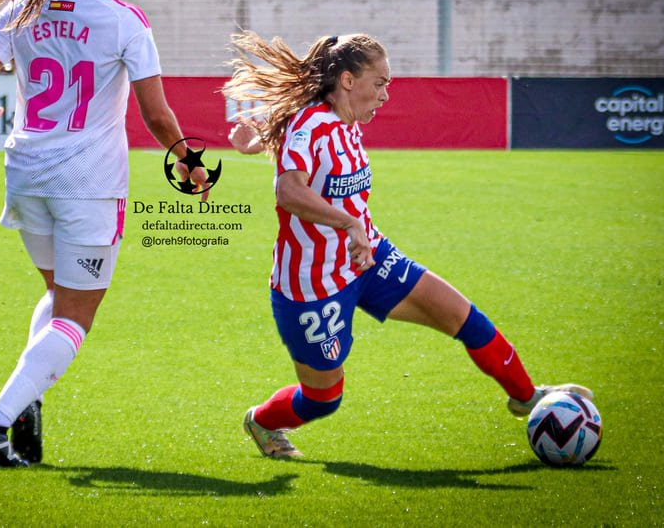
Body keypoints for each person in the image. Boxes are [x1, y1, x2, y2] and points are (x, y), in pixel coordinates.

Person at [223, 31, 592, 459]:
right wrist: (346, 222)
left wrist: (257, 140)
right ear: (346, 80)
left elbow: (280, 136)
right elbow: (289, 191)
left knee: (461, 315)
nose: (385, 94)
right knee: (324, 399)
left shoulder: (341, 121)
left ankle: (526, 396)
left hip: (367, 257)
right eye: (379, 83)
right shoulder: (312, 126)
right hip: (312, 285)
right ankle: (262, 421)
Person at [0, 0, 209, 468]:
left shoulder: (19, 9)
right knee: (75, 316)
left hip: (26, 174)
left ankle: (28, 402)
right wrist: (188, 162)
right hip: (87, 184)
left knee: (55, 295)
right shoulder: (123, 19)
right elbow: (158, 116)